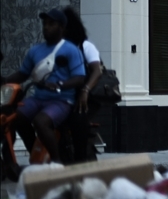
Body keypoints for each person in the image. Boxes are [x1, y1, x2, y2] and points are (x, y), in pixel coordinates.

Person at [5, 9, 86, 164]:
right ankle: (36, 155)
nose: (46, 27)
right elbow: (23, 74)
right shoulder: (35, 50)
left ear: (62, 27)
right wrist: (5, 80)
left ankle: (56, 161)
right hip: (37, 98)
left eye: (51, 24)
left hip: (61, 100)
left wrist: (59, 84)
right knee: (15, 118)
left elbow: (79, 78)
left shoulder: (71, 50)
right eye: (44, 24)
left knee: (40, 122)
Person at [63, 8, 103, 162]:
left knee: (78, 119)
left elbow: (96, 71)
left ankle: (80, 160)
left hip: (85, 96)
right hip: (63, 95)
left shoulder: (85, 46)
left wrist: (85, 90)